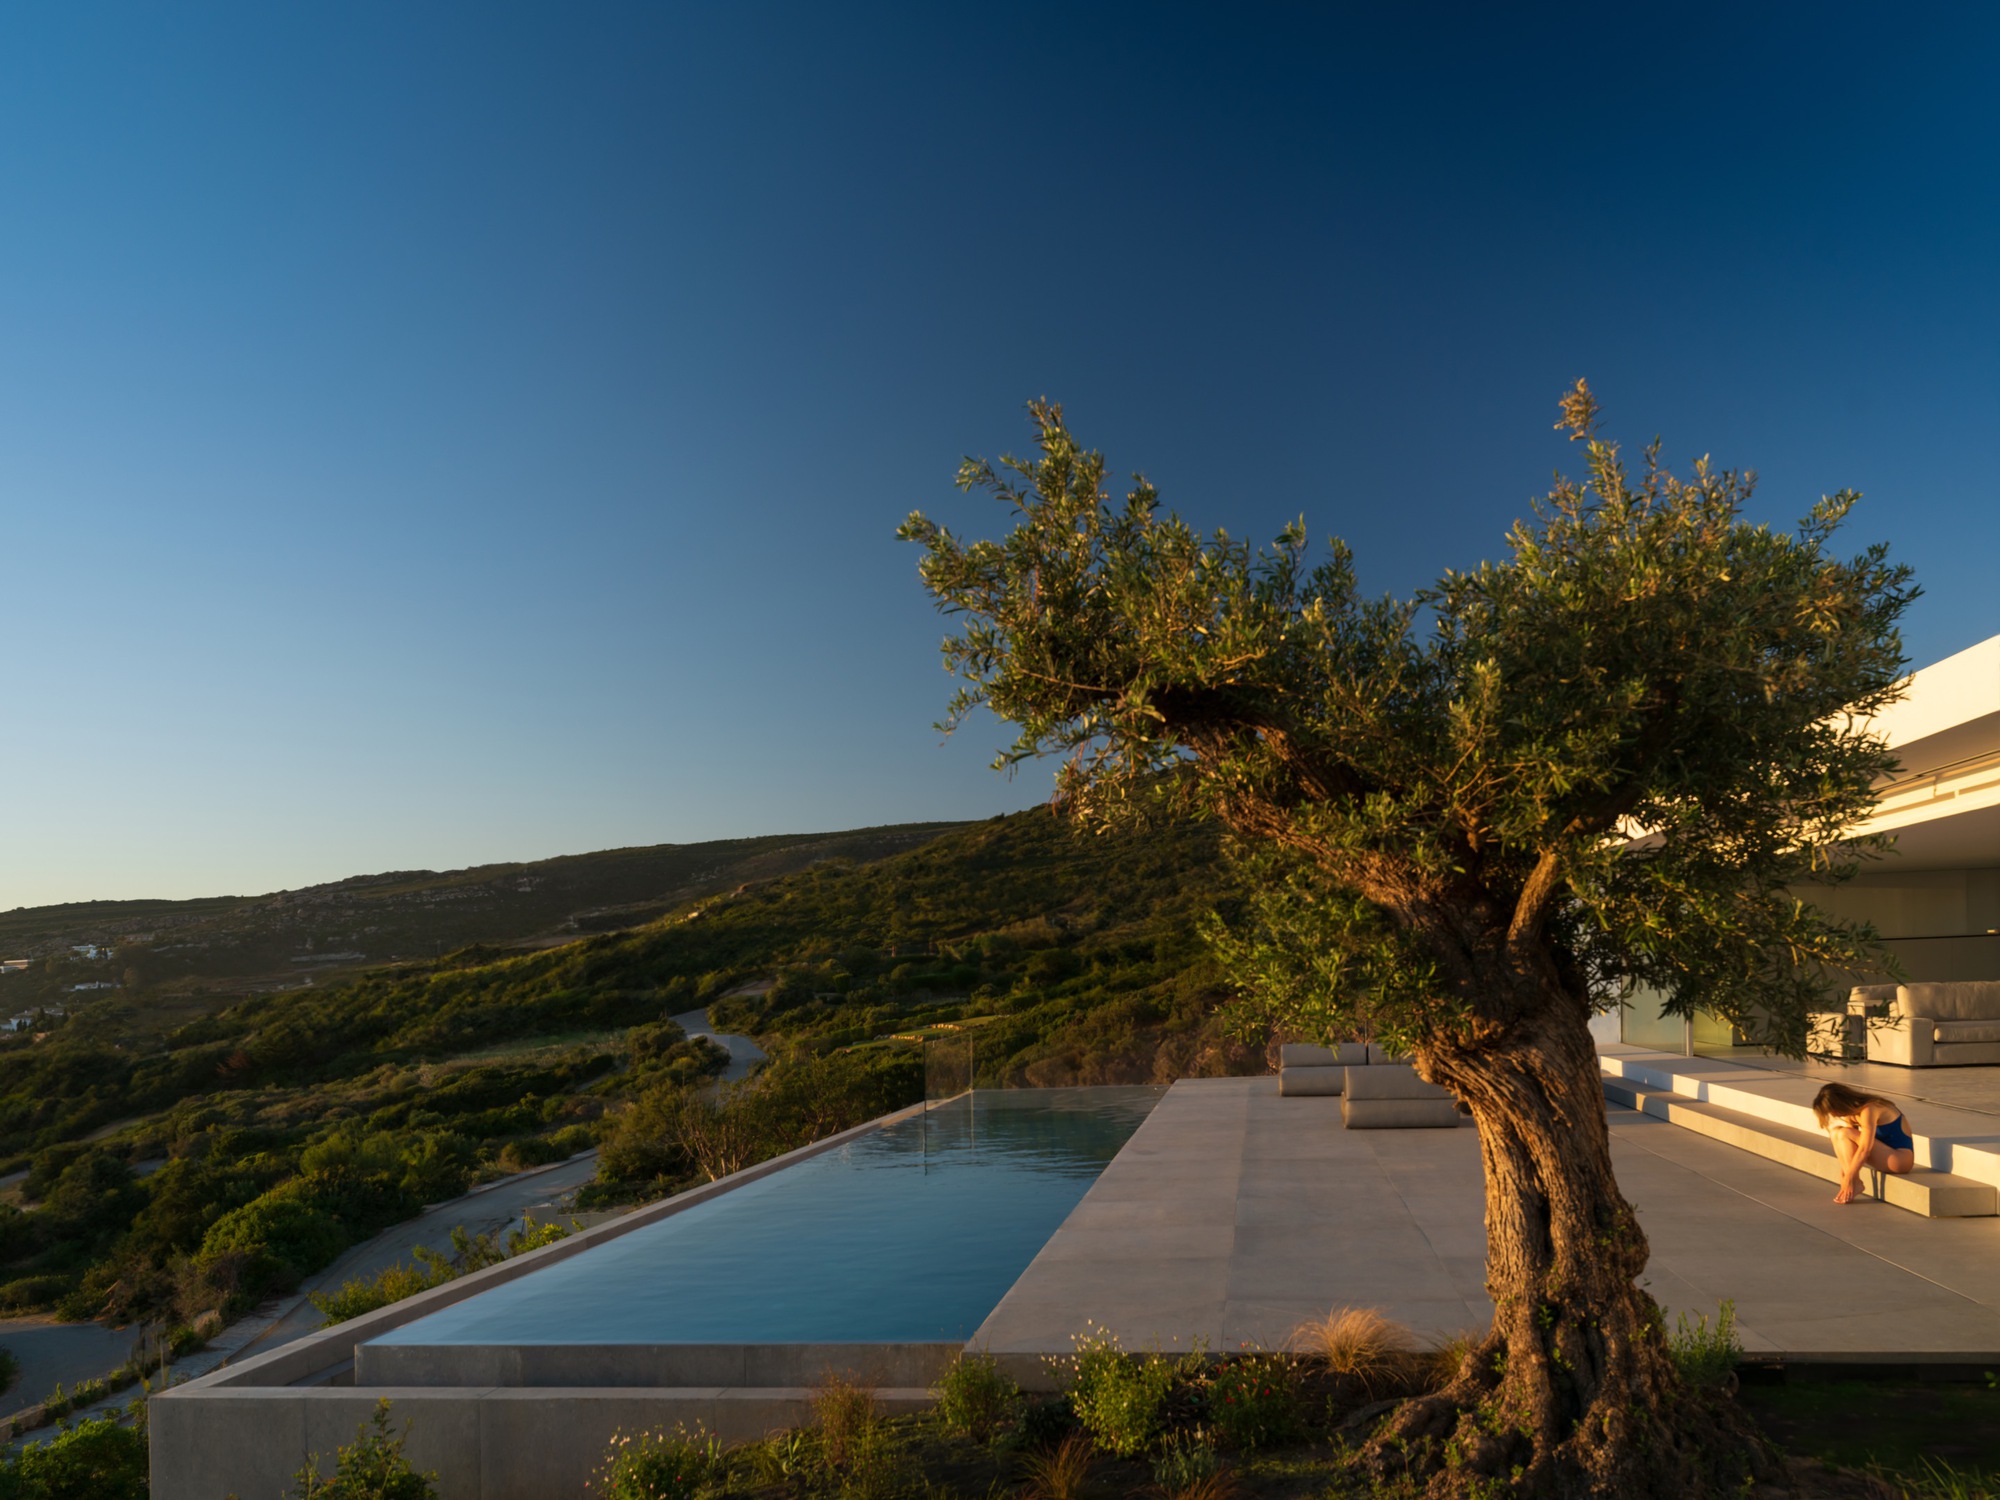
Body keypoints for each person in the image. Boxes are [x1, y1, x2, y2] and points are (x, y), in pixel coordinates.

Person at [1812, 1082, 1916, 1204]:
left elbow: (1864, 1150)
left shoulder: (1870, 1109)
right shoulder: (1851, 1113)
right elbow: (1848, 1148)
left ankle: (1854, 1182)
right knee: (1836, 1132)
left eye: (1833, 1110)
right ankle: (1855, 1182)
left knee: (1844, 1133)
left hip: (1901, 1160)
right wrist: (1845, 1173)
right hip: (1886, 1155)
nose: (1833, 1115)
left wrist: (1849, 1177)